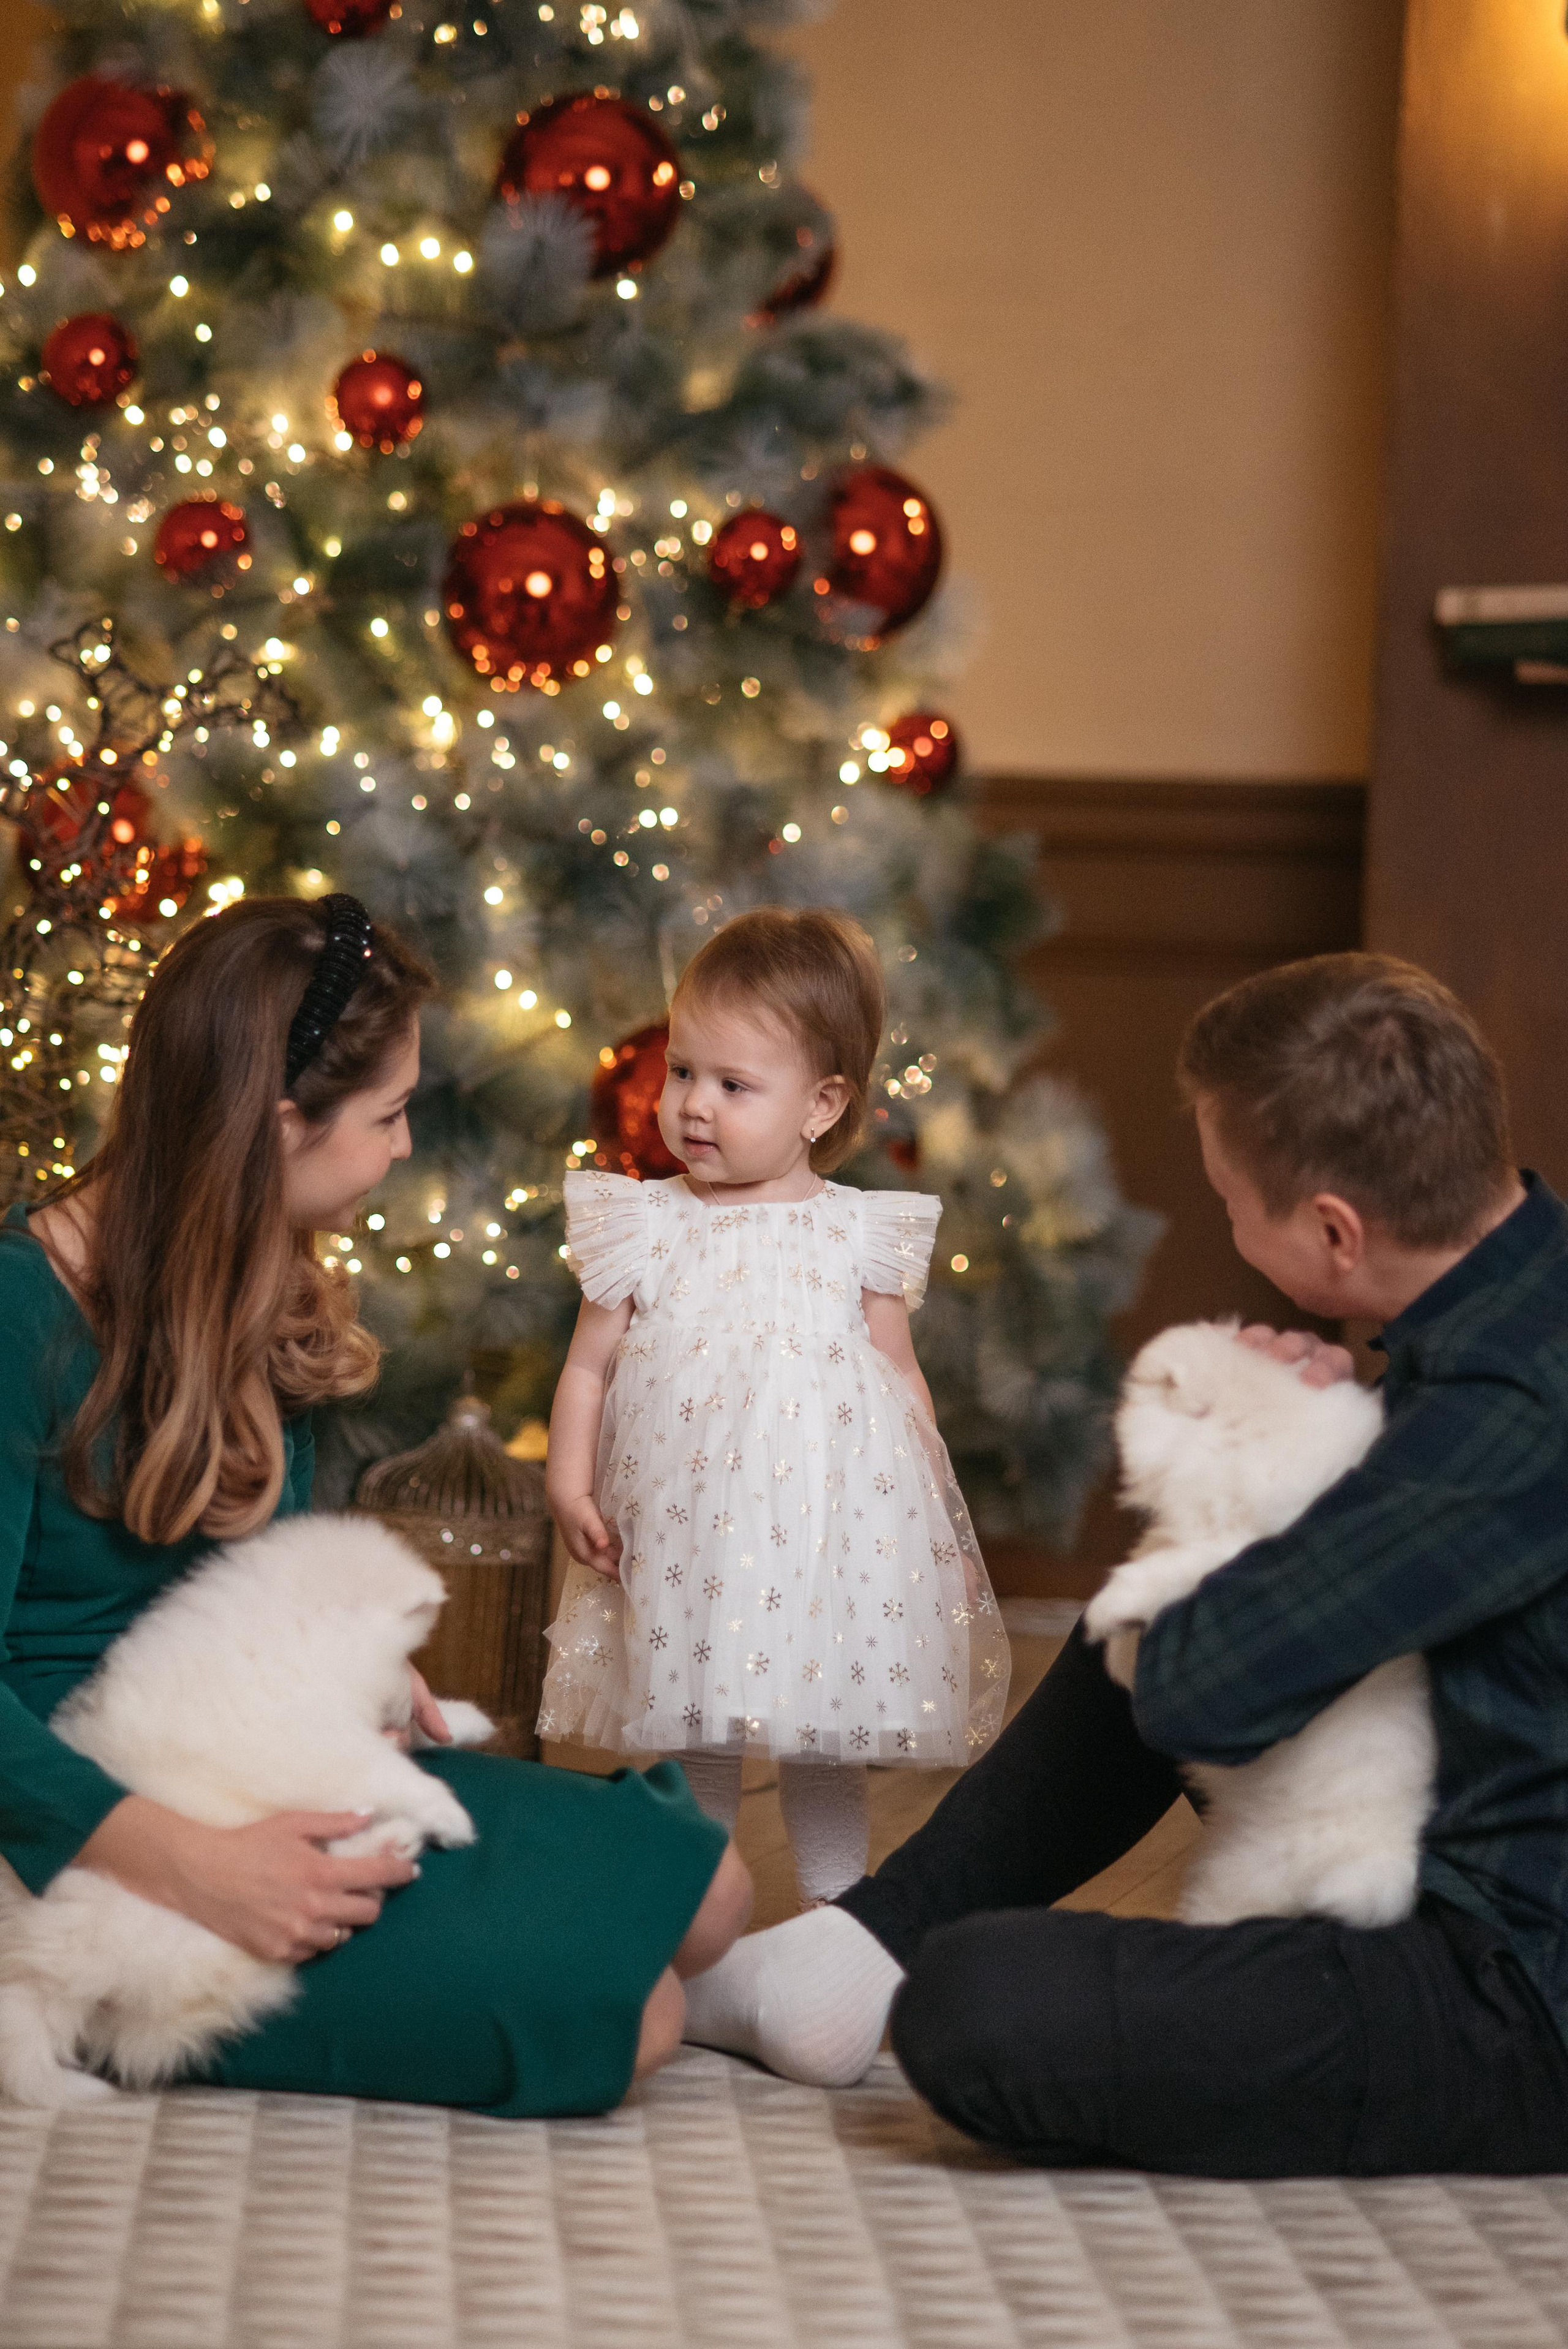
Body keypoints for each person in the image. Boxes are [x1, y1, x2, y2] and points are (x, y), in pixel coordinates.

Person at [682, 952, 1568, 2179]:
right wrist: (1314, 1439)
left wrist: (1232, 1451)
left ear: (1330, 1230)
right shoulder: (1524, 1289)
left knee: (979, 2005)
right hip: (1450, 1830)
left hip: (1516, 1996)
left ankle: (870, 1962)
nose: (1222, 1219)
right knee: (1152, 1609)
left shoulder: (1511, 1409)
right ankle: (847, 1954)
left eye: (1227, 1200)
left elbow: (1201, 1688)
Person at [0, 892, 750, 2117]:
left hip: (253, 1749)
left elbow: (252, 1570)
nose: (403, 1147)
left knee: (709, 1893)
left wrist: (347, 1673)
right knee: (639, 2022)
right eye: (389, 1114)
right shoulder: (19, 1309)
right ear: (280, 1125)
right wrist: (202, 1870)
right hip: (92, 1847)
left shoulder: (264, 1268)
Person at [538, 908, 1009, 1907]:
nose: (693, 1106)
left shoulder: (856, 1235)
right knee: (699, 1721)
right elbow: (588, 1370)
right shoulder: (645, 1223)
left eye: (734, 1085)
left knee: (822, 1733)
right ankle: (695, 1916)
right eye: (683, 1073)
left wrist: (938, 1515)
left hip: (829, 1534)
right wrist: (568, 1480)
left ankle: (837, 1916)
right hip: (690, 1530)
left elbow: (900, 1378)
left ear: (820, 1104)